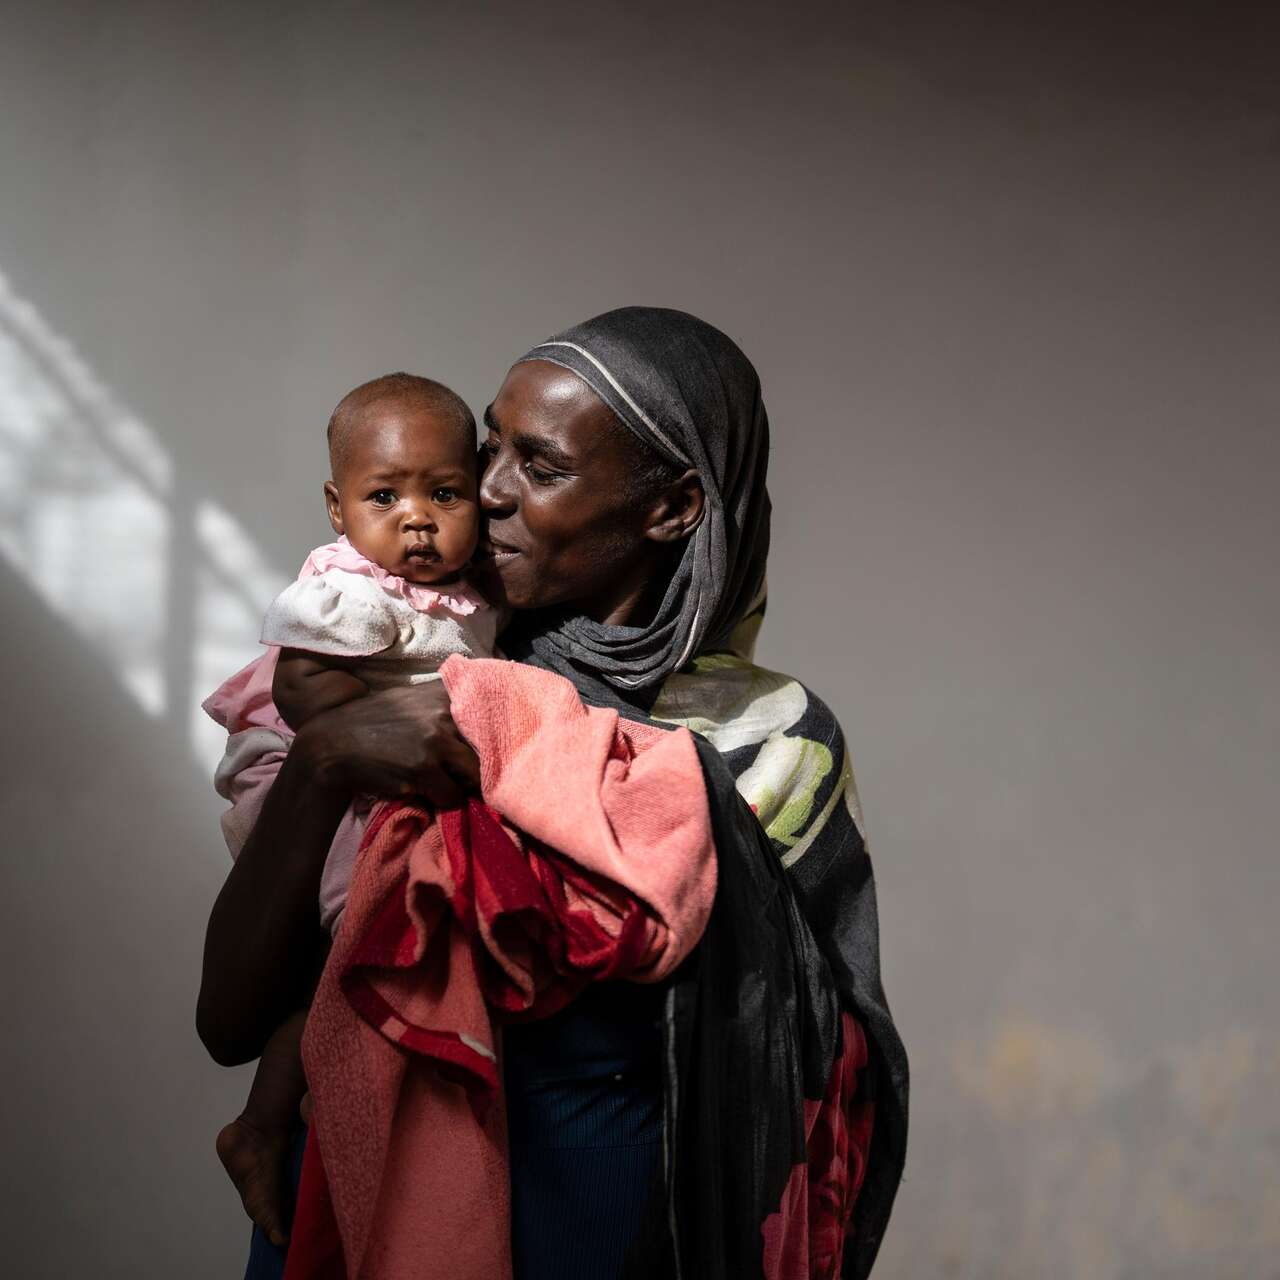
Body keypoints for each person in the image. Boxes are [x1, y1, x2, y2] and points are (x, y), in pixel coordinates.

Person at [198, 307, 908, 1279]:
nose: (483, 491)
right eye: (490, 445)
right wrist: (327, 759)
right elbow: (228, 1022)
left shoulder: (771, 739)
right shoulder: (417, 665)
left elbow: (795, 1067)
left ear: (671, 507)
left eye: (538, 467)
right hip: (366, 1205)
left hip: (605, 1225)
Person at [203, 372, 497, 1248]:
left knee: (343, 967)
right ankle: (264, 1124)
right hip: (302, 773)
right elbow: (301, 690)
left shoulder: (469, 590)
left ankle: (258, 1125)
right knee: (350, 941)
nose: (417, 518)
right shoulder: (351, 587)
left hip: (366, 780)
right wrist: (373, 746)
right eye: (385, 495)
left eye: (444, 494)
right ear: (338, 508)